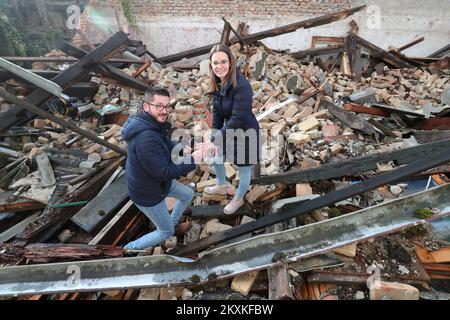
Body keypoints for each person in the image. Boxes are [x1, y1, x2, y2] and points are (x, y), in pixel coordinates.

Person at [121, 87, 205, 250]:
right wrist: (193, 159)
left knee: (188, 194)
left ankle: (171, 225)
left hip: (156, 183)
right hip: (148, 193)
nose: (164, 111)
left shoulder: (150, 124)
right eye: (159, 106)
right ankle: (127, 249)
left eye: (167, 106)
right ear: (146, 106)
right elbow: (165, 172)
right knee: (164, 233)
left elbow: (166, 145)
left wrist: (185, 147)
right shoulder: (145, 139)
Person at [199, 44, 260, 215]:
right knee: (216, 157)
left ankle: (238, 199)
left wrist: (216, 139)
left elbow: (238, 118)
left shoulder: (242, 86)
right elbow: (217, 113)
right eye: (215, 63)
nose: (219, 66)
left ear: (231, 62)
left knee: (244, 168)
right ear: (211, 65)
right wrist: (213, 135)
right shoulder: (219, 83)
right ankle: (221, 185)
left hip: (246, 132)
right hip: (229, 129)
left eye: (223, 61)